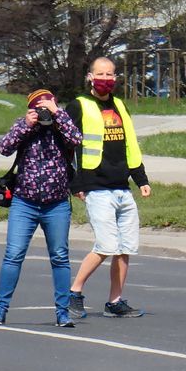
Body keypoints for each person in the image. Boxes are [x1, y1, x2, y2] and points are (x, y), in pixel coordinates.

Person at [61, 58, 152, 319]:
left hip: (122, 186)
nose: (106, 78)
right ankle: (74, 292)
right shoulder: (79, 105)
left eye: (110, 74)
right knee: (106, 245)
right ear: (90, 76)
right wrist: (75, 183)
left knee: (125, 249)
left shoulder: (120, 105)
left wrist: (141, 179)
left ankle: (115, 301)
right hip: (96, 187)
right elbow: (66, 147)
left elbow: (130, 144)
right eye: (100, 74)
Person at [0, 89, 82, 328]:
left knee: (60, 257)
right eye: (37, 106)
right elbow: (4, 148)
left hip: (57, 204)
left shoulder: (62, 124)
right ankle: (0, 310)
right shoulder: (24, 125)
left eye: (47, 104)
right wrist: (26, 126)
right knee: (13, 254)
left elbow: (77, 140)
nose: (43, 111)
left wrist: (58, 115)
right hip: (25, 202)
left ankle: (63, 313)